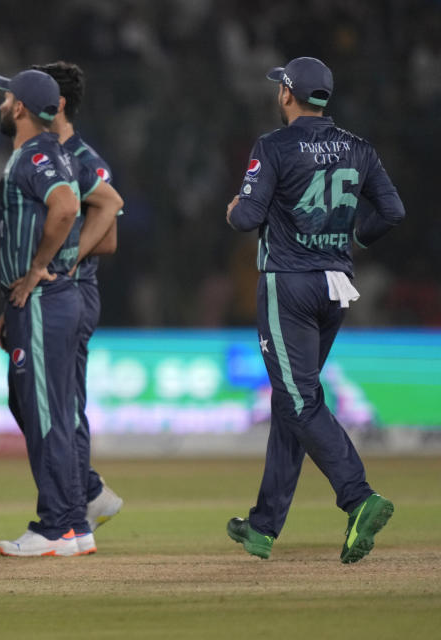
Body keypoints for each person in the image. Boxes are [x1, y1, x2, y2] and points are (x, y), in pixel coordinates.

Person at [225, 57, 404, 563]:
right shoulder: (359, 148)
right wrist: (355, 238)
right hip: (337, 285)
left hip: (289, 285)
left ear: (287, 94)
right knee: (292, 403)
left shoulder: (274, 146)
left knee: (299, 400)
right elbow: (392, 211)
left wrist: (235, 209)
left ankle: (359, 496)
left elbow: (247, 219)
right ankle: (263, 526)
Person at [0, 69, 122, 557]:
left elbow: (66, 208)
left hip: (46, 300)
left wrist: (43, 266)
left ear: (21, 107)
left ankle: (58, 526)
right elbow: (98, 202)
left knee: (48, 415)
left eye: (7, 97)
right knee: (51, 413)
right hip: (41, 301)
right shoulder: (59, 153)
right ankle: (75, 522)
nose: (2, 103)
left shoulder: (39, 154)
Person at [31, 61, 126, 533]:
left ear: (58, 102)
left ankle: (79, 502)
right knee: (35, 400)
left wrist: (63, 258)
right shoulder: (44, 153)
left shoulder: (82, 158)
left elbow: (108, 239)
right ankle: (85, 489)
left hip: (74, 290)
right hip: (51, 292)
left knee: (64, 404)